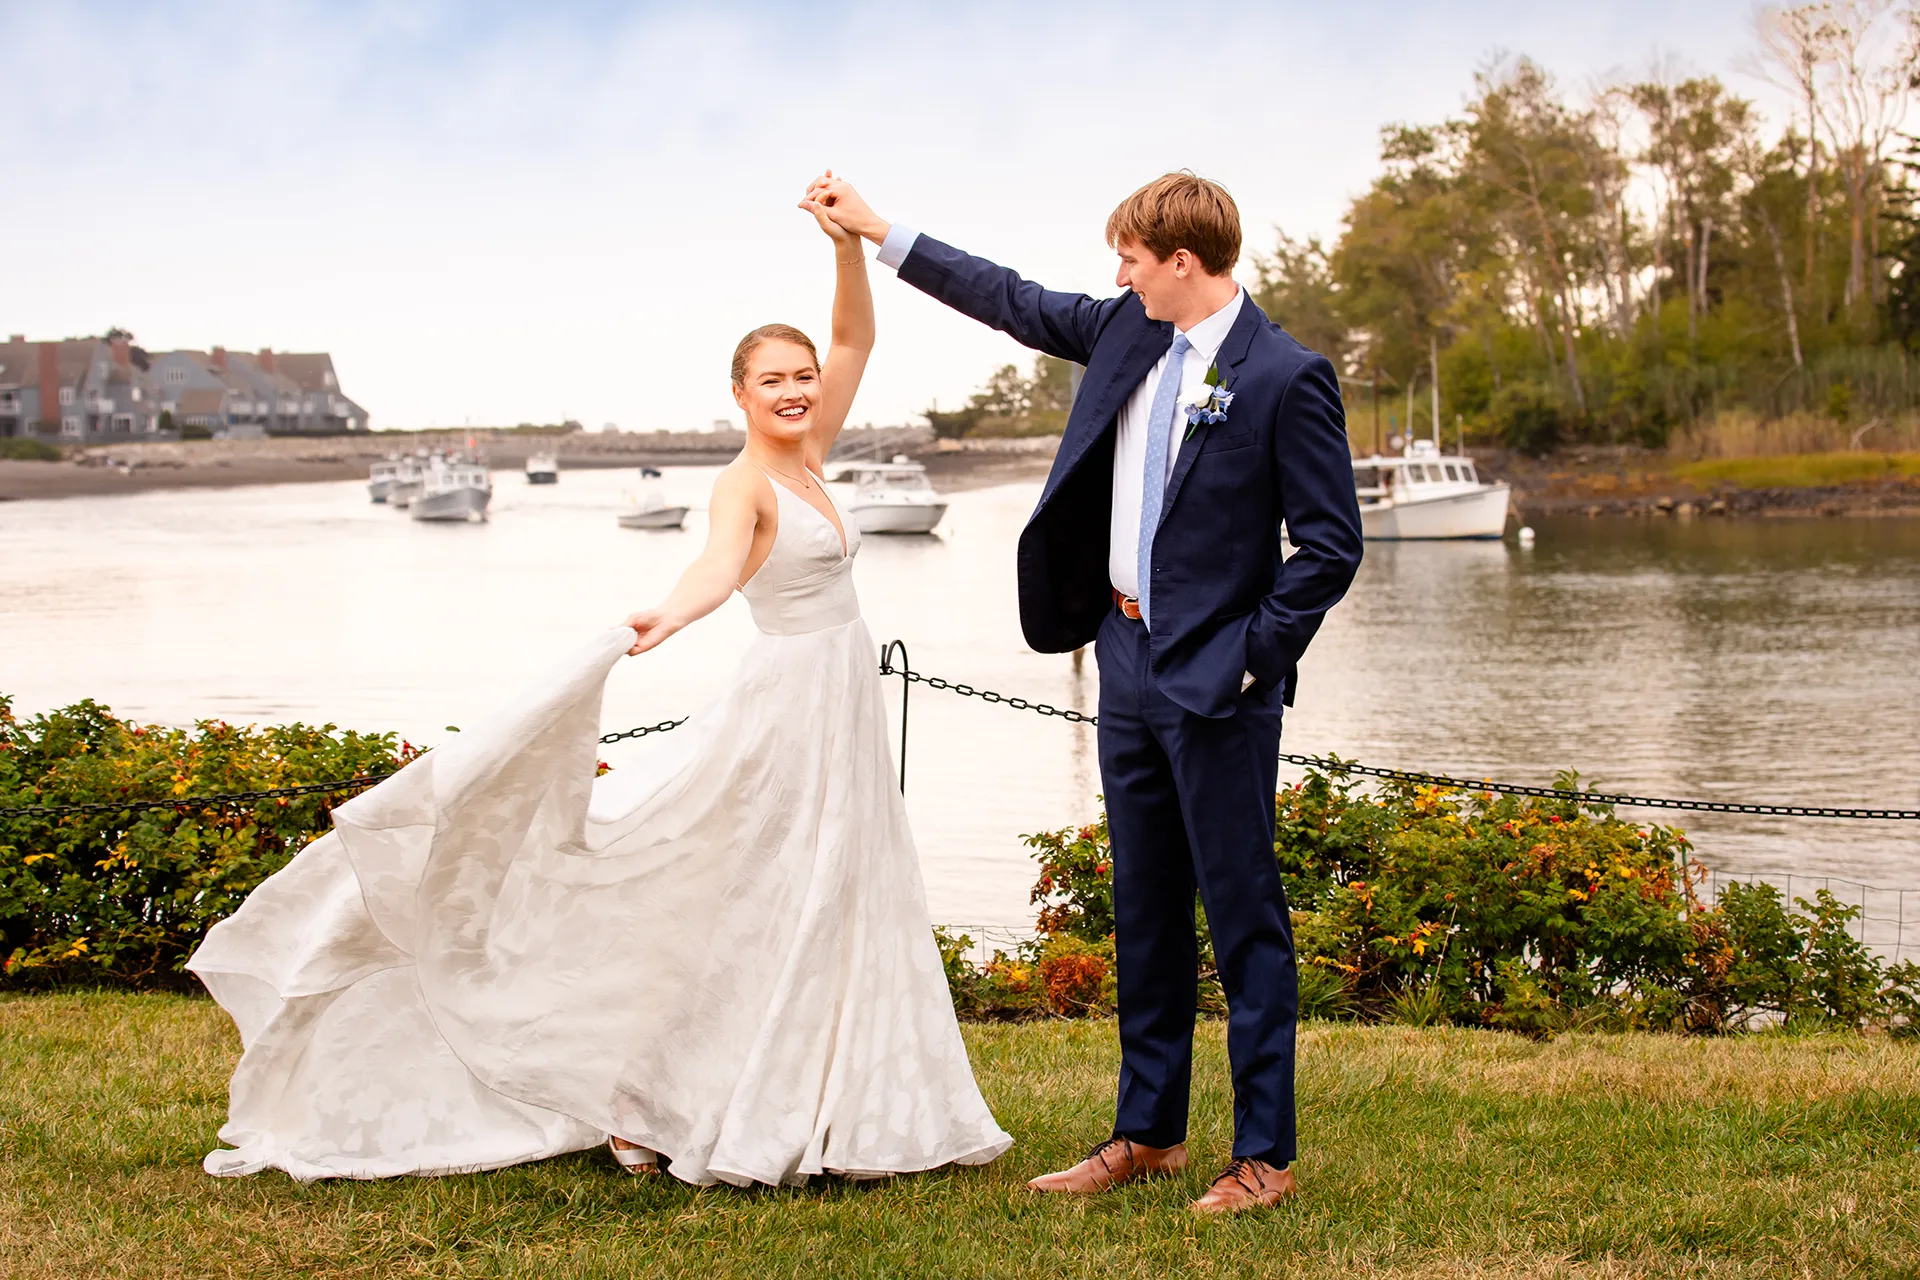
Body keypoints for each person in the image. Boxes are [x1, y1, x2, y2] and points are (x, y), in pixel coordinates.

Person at [187, 179, 1011, 1189]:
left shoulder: (812, 454)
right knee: (747, 893)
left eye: (800, 376)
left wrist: (847, 247)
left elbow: (854, 342)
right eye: (773, 380)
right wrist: (672, 610)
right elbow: (718, 561)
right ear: (741, 397)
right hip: (787, 712)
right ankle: (651, 1099)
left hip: (842, 708)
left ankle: (837, 1097)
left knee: (837, 894)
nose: (796, 389)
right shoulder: (744, 480)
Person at [806, 171, 1364, 1215]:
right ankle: (1147, 1132)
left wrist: (1252, 656)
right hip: (1124, 659)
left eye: (1133, 259)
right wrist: (882, 231)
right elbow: (1008, 295)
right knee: (1144, 908)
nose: (1118, 276)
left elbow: (1330, 547)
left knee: (1244, 917)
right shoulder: (1124, 332)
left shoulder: (1286, 375)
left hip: (1220, 682)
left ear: (1183, 265)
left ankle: (1264, 1156)